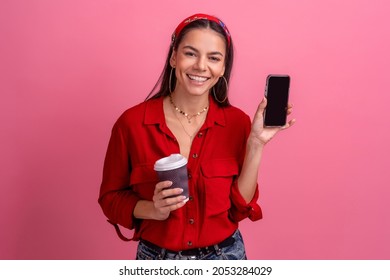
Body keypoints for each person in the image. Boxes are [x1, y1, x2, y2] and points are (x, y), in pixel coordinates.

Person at [98, 13, 295, 260]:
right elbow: (110, 198)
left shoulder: (237, 123)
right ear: (173, 57)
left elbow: (239, 207)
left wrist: (256, 144)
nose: (201, 66)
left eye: (214, 58)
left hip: (225, 257)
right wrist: (154, 209)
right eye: (190, 53)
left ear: (223, 67)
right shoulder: (132, 123)